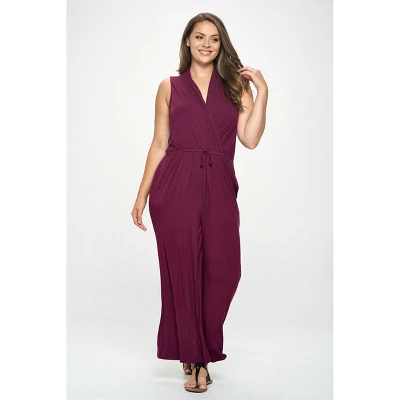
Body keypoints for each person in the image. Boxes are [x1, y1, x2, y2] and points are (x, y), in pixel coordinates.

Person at [131, 12, 268, 393]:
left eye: (214, 38)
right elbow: (159, 143)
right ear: (187, 41)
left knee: (225, 271)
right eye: (199, 37)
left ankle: (199, 349)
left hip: (219, 185)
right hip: (175, 185)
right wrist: (141, 195)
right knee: (184, 272)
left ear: (221, 44)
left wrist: (262, 91)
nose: (206, 44)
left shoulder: (235, 86)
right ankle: (198, 360)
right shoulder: (169, 86)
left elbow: (250, 139)